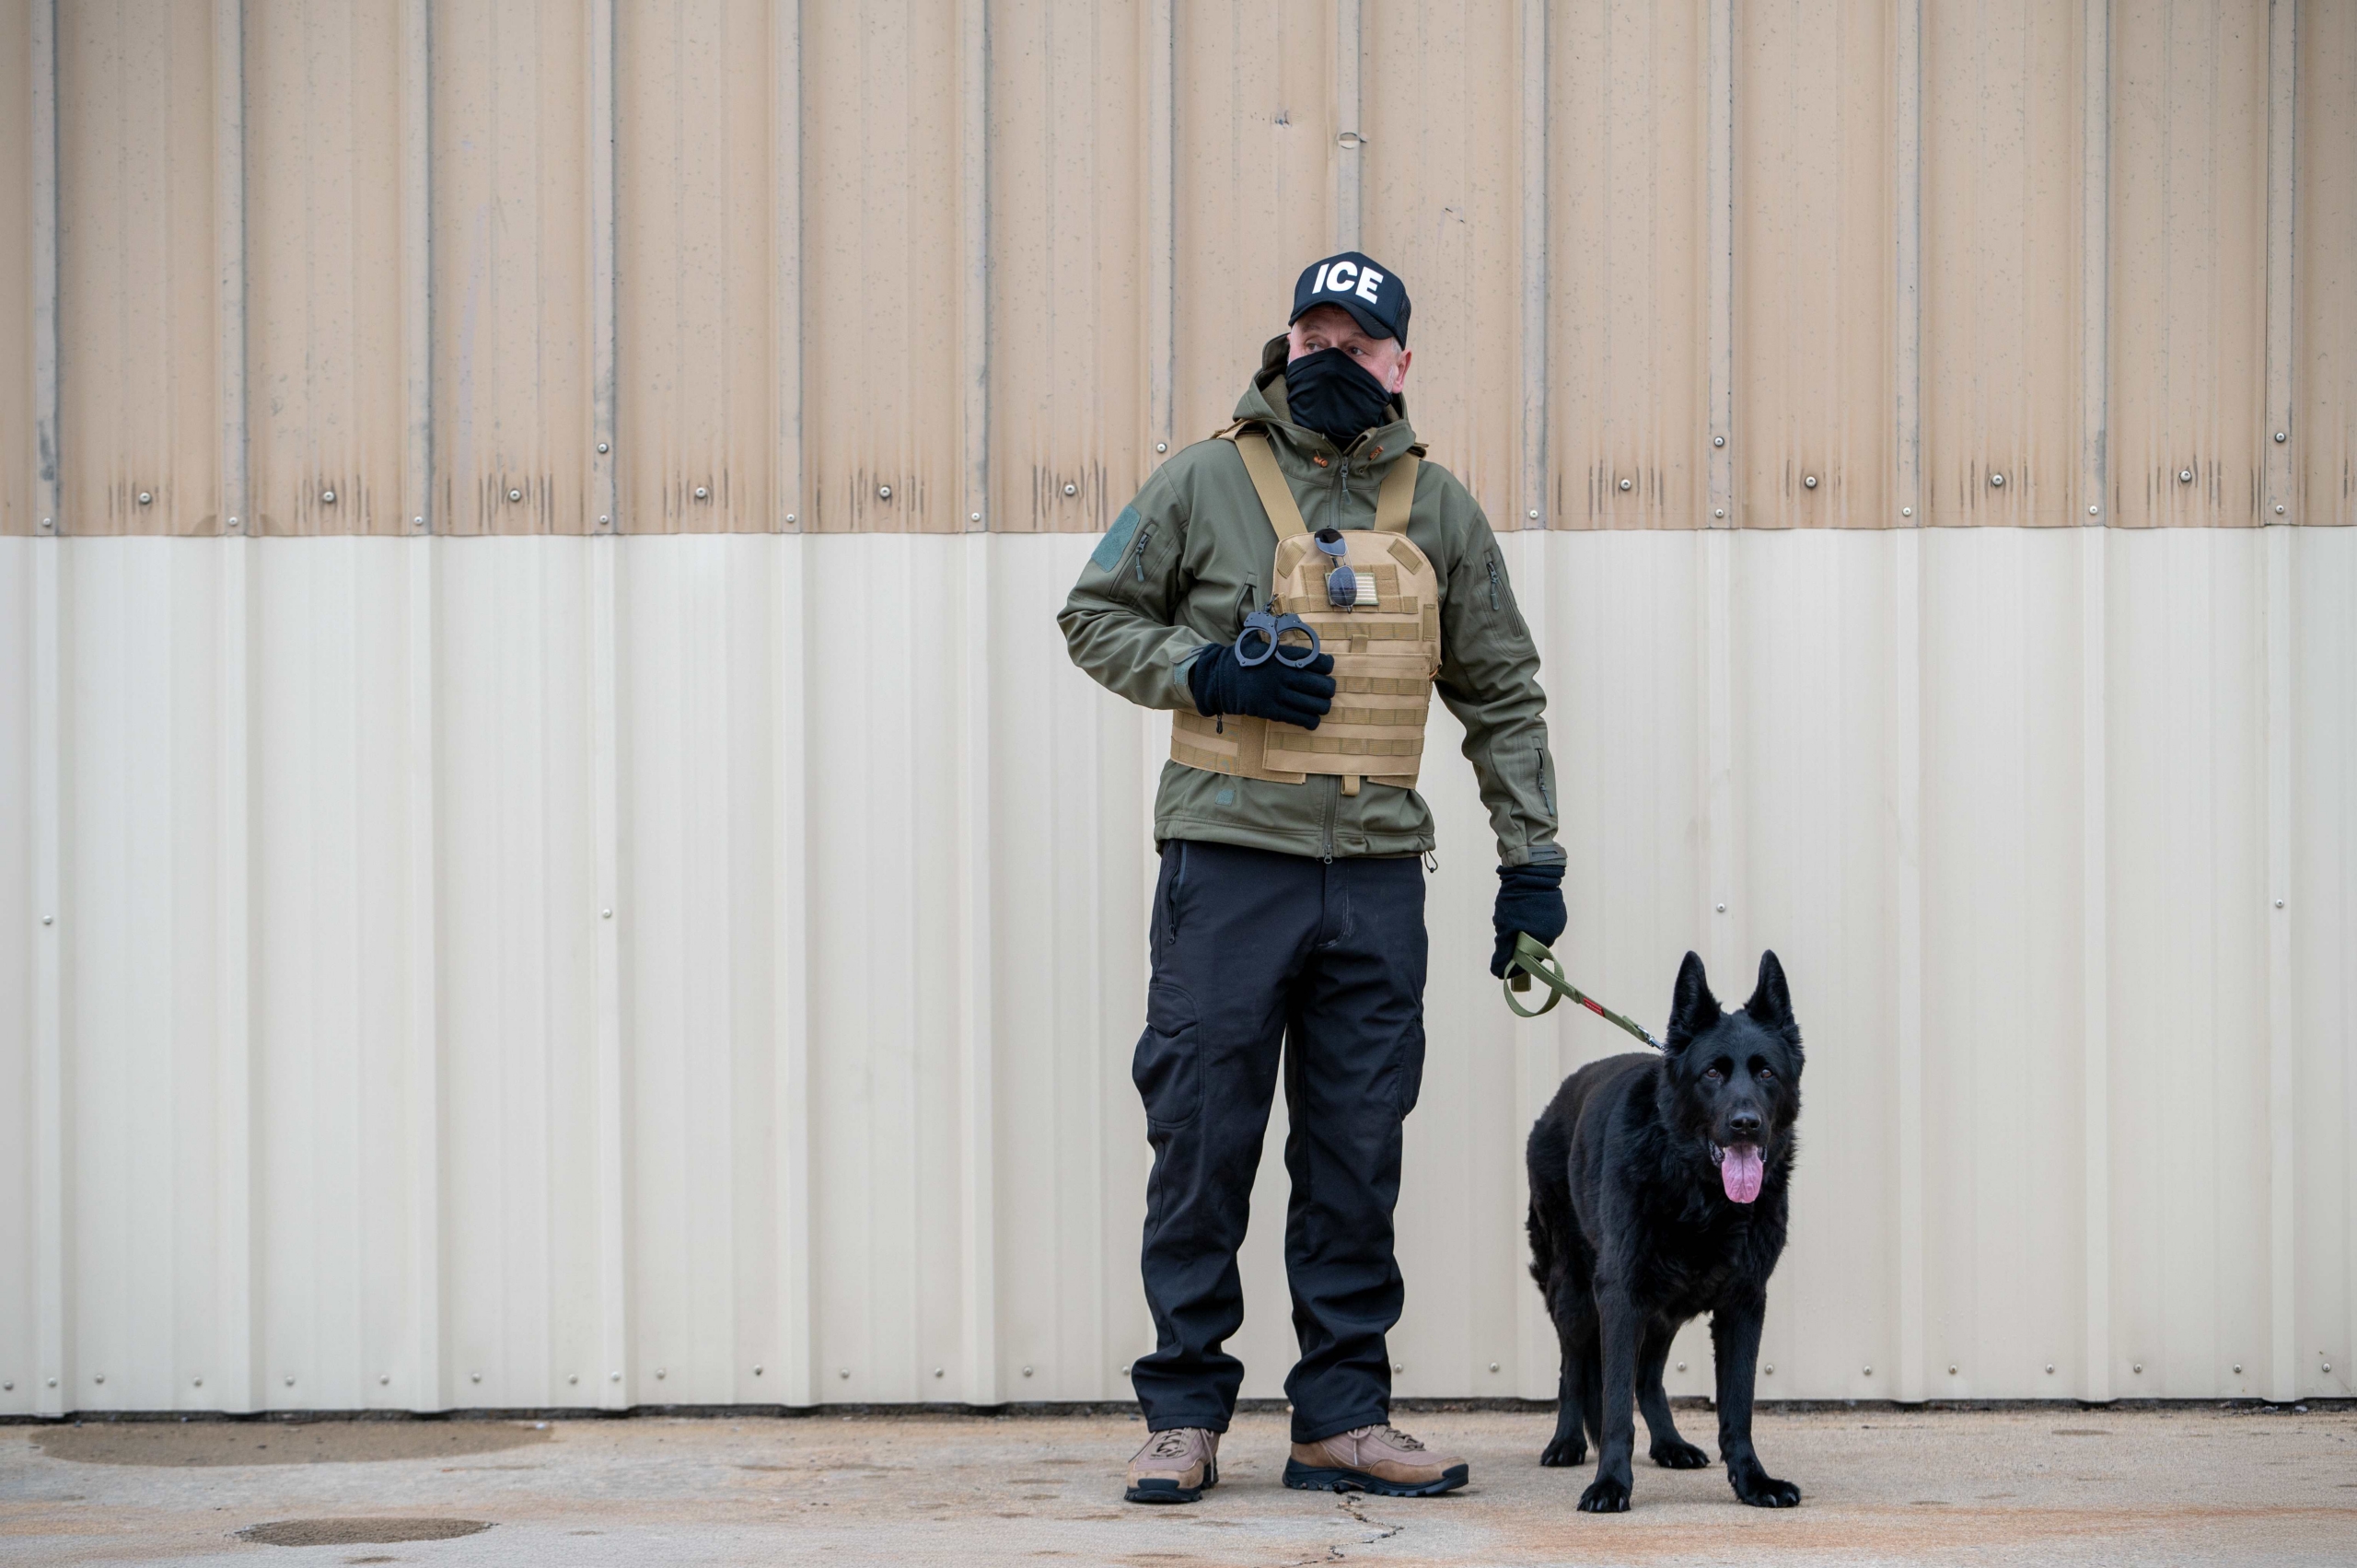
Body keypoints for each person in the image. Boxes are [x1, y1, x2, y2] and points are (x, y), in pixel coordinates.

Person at [1059, 252, 1566, 1504]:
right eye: (1314, 335)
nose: (1334, 359)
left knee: (1354, 1152)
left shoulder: (1439, 509)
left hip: (1378, 878)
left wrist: (1532, 865)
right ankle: (1183, 1413)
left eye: (1362, 342)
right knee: (1201, 1136)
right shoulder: (1201, 481)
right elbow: (1093, 615)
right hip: (1231, 869)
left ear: (1402, 364)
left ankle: (1340, 1415)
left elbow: (1500, 692)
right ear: (1283, 344)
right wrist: (1211, 673)